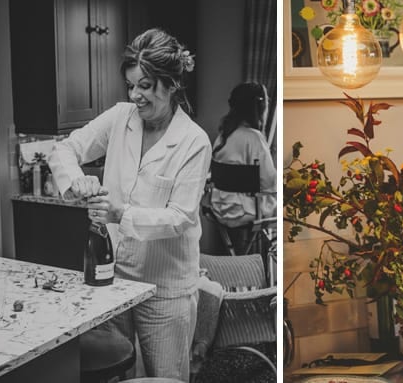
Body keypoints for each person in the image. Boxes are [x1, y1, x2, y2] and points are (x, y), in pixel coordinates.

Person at [49, 28, 211, 381]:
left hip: (166, 290)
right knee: (117, 373)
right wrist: (77, 180)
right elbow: (64, 149)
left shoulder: (193, 142)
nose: (135, 95)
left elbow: (180, 218)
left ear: (172, 85)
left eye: (146, 86)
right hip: (113, 280)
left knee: (165, 377)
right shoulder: (119, 118)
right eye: (131, 85)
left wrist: (119, 214)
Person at [208, 81, 276, 254]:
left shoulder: (223, 135)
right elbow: (269, 181)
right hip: (245, 211)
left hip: (219, 207)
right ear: (259, 107)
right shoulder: (254, 138)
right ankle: (271, 258)